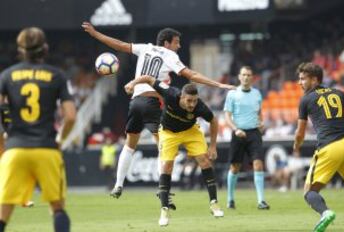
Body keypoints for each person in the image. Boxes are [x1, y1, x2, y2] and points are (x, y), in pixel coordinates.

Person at [81, 22, 235, 199]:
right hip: (152, 102)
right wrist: (218, 84)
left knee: (130, 144)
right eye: (176, 42)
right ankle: (163, 190)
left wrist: (95, 34)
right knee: (163, 144)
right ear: (167, 43)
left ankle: (118, 185)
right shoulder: (170, 55)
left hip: (135, 102)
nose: (179, 46)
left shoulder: (145, 48)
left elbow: (119, 45)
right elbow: (191, 75)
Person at [0, 27, 76, 232]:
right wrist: (60, 139)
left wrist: (4, 140)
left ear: (20, 50)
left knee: (3, 212)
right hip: (46, 149)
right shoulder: (57, 76)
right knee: (57, 208)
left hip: (15, 150)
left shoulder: (7, 76)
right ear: (45, 48)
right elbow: (70, 116)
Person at [124, 75, 224, 226]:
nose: (192, 104)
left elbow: (213, 121)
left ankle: (214, 203)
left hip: (191, 131)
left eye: (194, 101)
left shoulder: (200, 107)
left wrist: (213, 146)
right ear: (181, 97)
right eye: (189, 101)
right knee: (166, 166)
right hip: (168, 132)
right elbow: (149, 78)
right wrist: (132, 82)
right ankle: (164, 209)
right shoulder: (170, 93)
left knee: (204, 161)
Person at [293, 62, 344, 232]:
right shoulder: (337, 92)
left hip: (329, 147)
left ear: (315, 79)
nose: (300, 83)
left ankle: (325, 213)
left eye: (303, 79)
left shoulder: (306, 99)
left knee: (309, 192)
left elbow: (300, 132)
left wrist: (297, 144)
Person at [223, 66, 270, 210]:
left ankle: (261, 201)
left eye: (249, 75)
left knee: (258, 164)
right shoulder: (232, 94)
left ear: (252, 77)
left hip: (254, 133)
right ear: (239, 77)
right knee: (235, 167)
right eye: (243, 75)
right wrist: (236, 129)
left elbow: (259, 112)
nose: (246, 77)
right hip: (238, 133)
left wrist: (261, 123)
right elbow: (227, 116)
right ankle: (230, 199)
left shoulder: (257, 94)